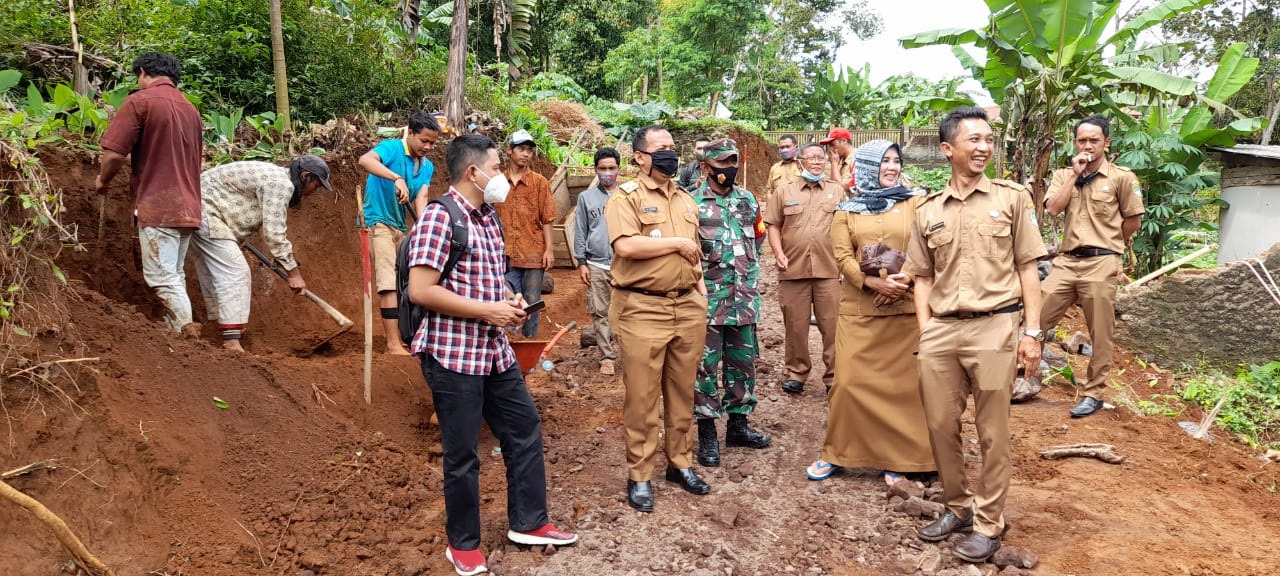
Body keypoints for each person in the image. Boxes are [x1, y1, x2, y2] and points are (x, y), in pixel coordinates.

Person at [405, 134, 578, 576]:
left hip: (494, 352)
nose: (502, 176)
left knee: (524, 430)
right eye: (497, 168)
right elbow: (421, 290)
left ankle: (530, 522)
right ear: (473, 172)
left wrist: (510, 304)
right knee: (462, 454)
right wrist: (487, 310)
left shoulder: (486, 218)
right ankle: (462, 545)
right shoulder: (439, 219)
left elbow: (489, 277)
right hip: (452, 356)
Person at [904, 107, 1045, 563]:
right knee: (940, 426)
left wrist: (1032, 332)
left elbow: (1029, 267)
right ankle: (958, 506)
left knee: (992, 432)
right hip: (942, 330)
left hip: (995, 326)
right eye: (974, 140)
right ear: (948, 149)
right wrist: (927, 332)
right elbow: (921, 276)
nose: (985, 147)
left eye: (989, 139)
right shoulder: (926, 210)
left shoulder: (1011, 198)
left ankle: (989, 523)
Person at [807, 140, 934, 486]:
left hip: (906, 310)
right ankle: (839, 453)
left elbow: (927, 245)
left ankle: (898, 458)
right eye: (883, 162)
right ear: (865, 167)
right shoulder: (847, 209)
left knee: (903, 389)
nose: (892, 167)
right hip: (860, 310)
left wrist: (904, 279)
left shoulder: (916, 203)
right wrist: (871, 284)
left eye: (896, 161)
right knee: (847, 384)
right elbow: (843, 256)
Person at [607, 125, 712, 512]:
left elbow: (695, 254)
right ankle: (640, 474)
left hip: (687, 306)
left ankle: (679, 463)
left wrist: (700, 295)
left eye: (672, 147)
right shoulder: (625, 197)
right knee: (642, 396)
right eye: (661, 148)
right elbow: (626, 246)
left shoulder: (686, 199)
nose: (670, 153)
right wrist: (675, 243)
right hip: (642, 307)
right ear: (640, 157)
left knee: (683, 391)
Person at [1041, 115, 1145, 418]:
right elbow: (1052, 209)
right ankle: (1018, 375)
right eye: (1082, 140)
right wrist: (1075, 175)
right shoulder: (1063, 176)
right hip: (1066, 262)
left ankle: (1094, 393)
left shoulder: (1122, 178)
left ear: (1106, 143)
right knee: (1034, 322)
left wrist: (1110, 246)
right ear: (1075, 143)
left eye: (1094, 140)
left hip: (1101, 262)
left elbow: (1133, 221)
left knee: (1100, 333)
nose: (1087, 146)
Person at [95, 52, 203, 333]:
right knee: (174, 275)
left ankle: (186, 336)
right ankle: (176, 336)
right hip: (189, 207)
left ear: (143, 72)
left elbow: (114, 155)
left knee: (163, 279)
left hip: (160, 206)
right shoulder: (191, 110)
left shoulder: (140, 102)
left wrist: (103, 181)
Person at [191, 156, 332, 352]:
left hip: (198, 208)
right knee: (236, 273)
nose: (314, 192)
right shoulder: (281, 184)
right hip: (206, 211)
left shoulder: (275, 177)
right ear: (306, 176)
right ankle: (231, 343)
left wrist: (235, 240)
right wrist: (293, 273)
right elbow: (274, 234)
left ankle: (217, 329)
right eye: (316, 185)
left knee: (214, 271)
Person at [690, 138, 772, 468]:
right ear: (707, 168)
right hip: (710, 301)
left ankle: (738, 426)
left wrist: (747, 275)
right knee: (705, 369)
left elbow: (758, 236)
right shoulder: (692, 203)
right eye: (723, 163)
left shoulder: (748, 199)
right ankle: (707, 433)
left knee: (743, 365)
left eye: (733, 161)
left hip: (744, 300)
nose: (731, 168)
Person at [358, 111, 440, 355]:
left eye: (432, 143)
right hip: (376, 222)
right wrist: (396, 178)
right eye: (423, 140)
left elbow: (422, 198)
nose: (427, 146)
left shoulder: (427, 166)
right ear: (411, 133)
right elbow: (365, 160)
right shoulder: (392, 148)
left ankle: (409, 336)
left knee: (408, 281)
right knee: (388, 283)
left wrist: (423, 229)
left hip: (401, 229)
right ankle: (393, 343)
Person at [765, 143, 843, 395]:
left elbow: (848, 227)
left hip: (829, 270)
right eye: (812, 158)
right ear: (800, 162)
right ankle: (796, 372)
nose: (818, 162)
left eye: (821, 158)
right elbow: (773, 225)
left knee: (832, 326)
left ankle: (834, 376)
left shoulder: (837, 191)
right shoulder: (784, 191)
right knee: (795, 326)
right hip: (793, 269)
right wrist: (778, 253)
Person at [493, 129, 556, 338]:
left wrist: (549, 250)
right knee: (510, 300)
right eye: (521, 149)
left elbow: (547, 218)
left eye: (529, 150)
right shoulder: (497, 183)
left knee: (532, 300)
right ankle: (510, 345)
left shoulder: (540, 183)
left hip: (533, 253)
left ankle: (530, 343)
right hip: (505, 254)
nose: (526, 154)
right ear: (509, 151)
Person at [573, 148, 621, 375]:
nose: (607, 173)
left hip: (626, 264)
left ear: (619, 169)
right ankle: (607, 358)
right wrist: (581, 261)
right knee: (600, 311)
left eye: (611, 168)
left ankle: (631, 355)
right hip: (597, 263)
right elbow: (581, 230)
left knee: (628, 311)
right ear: (595, 170)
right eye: (602, 169)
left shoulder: (628, 195)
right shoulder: (586, 198)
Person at [820, 127, 855, 193]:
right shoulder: (843, 160)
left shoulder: (857, 160)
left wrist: (834, 164)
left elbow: (839, 188)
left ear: (844, 141)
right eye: (829, 146)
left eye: (833, 145)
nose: (831, 149)